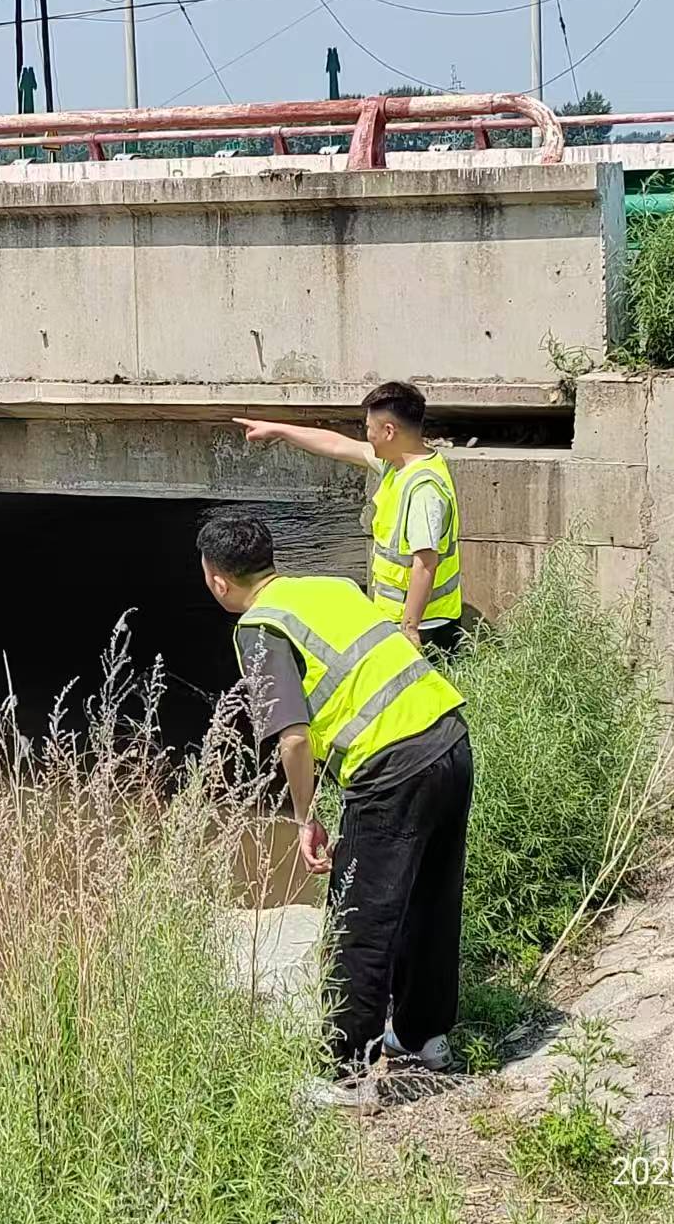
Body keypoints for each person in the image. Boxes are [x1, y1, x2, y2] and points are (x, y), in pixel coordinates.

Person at [197, 511, 474, 1100]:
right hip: (449, 735)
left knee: (358, 920)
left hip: (390, 766)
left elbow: (292, 737)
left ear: (217, 579)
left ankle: (345, 1072)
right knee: (431, 897)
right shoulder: (328, 586)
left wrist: (304, 816)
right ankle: (425, 1037)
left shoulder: (260, 627)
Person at [235, 380, 466, 656]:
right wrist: (279, 430)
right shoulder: (399, 464)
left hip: (427, 630)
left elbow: (425, 564)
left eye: (369, 428)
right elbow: (336, 445)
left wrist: (409, 628)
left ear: (389, 431)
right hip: (403, 620)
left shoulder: (423, 490)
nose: (366, 435)